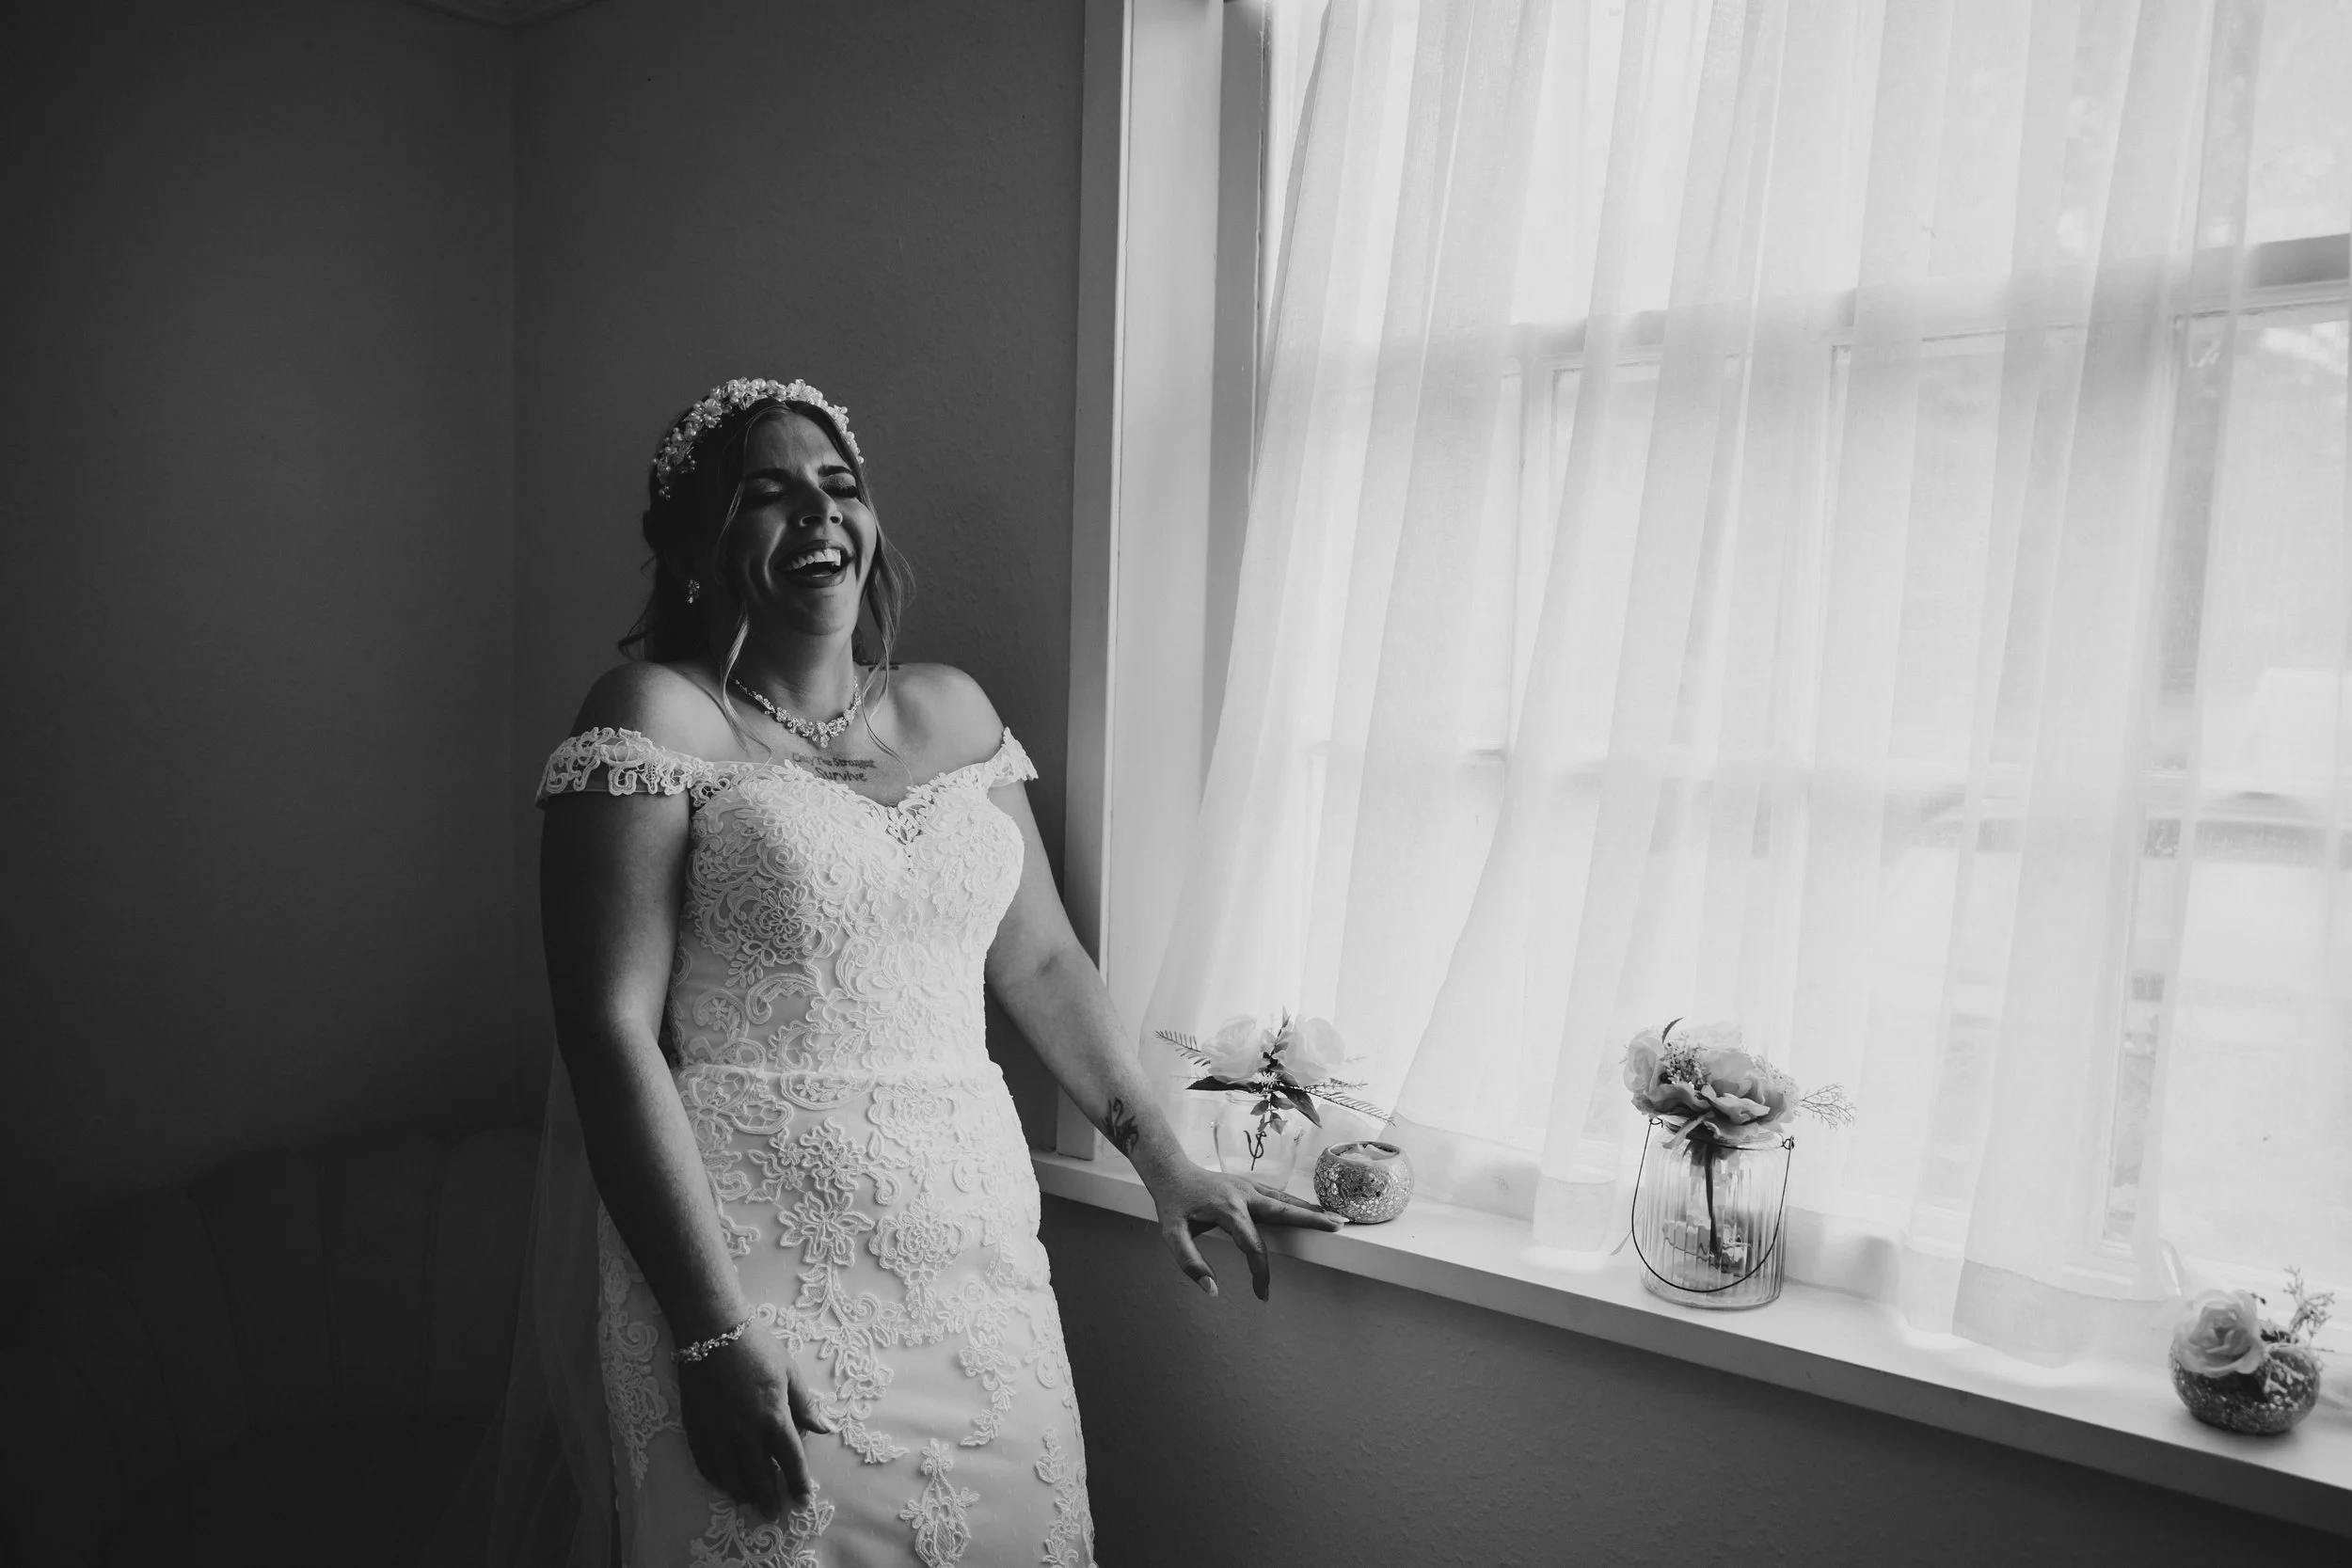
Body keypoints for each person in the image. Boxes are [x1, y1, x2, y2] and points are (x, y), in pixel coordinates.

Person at [529, 377, 1343, 1566]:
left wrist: (1165, 1157)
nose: (817, 513)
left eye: (839, 486)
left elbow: (1046, 957)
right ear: (696, 550)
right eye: (767, 494)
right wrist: (709, 1333)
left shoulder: (953, 712)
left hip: (970, 1257)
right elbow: (608, 1031)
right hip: (744, 1257)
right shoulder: (654, 716)